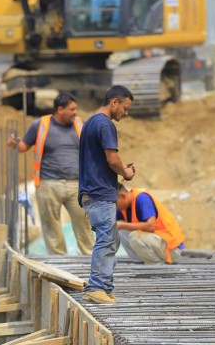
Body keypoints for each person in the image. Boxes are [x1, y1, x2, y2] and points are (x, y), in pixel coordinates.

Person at [8, 92, 94, 256]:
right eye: (72, 109)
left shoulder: (80, 125)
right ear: (60, 109)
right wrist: (15, 143)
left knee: (83, 222)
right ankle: (59, 262)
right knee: (51, 226)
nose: (75, 112)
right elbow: (23, 146)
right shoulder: (40, 125)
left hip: (76, 184)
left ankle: (90, 259)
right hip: (48, 184)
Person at [79, 85, 135, 304]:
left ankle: (105, 287)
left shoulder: (91, 122)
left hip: (92, 192)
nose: (126, 113)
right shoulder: (105, 124)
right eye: (125, 107)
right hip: (100, 193)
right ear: (114, 102)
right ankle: (96, 287)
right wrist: (126, 173)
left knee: (111, 239)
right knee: (105, 240)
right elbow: (113, 160)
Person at [116, 185, 185, 264]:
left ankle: (157, 266)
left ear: (122, 195)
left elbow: (150, 226)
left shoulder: (142, 199)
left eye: (114, 202)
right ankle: (139, 263)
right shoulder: (123, 207)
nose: (114, 206)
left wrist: (122, 225)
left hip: (171, 248)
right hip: (156, 244)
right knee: (121, 231)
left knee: (134, 236)